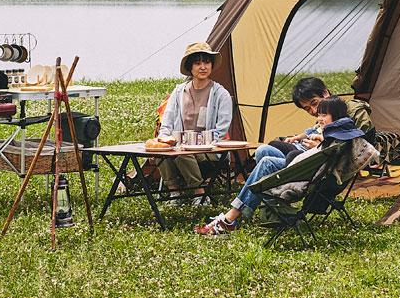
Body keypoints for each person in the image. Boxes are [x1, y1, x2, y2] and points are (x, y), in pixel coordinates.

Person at [196, 97, 367, 236]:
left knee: (266, 162)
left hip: (308, 175)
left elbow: (325, 158)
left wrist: (315, 146)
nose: (319, 118)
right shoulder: (339, 131)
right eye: (319, 115)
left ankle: (231, 218)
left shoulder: (339, 133)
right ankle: (257, 212)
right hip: (308, 169)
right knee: (265, 153)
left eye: (324, 115)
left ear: (336, 116)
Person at [157, 41, 233, 194]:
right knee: (162, 151)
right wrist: (164, 139)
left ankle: (198, 191)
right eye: (198, 63)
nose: (203, 67)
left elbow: (221, 130)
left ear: (211, 66)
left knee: (182, 153)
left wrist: (195, 143)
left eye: (206, 62)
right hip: (181, 145)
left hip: (210, 148)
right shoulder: (179, 92)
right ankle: (174, 191)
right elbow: (167, 122)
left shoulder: (220, 94)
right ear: (190, 68)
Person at [251, 76, 373, 166]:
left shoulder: (347, 112)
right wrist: (298, 137)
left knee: (269, 162)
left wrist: (322, 148)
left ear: (325, 93)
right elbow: (314, 130)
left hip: (317, 158)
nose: (314, 111)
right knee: (264, 149)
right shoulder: (323, 117)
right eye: (307, 109)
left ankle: (267, 195)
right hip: (306, 151)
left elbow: (360, 144)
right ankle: (270, 194)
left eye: (314, 103)